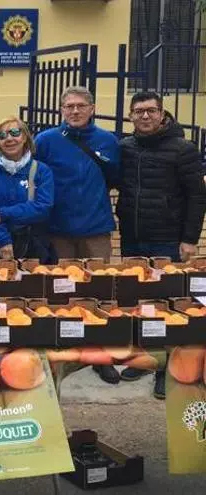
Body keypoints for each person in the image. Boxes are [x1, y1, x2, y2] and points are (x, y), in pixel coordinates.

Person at [115, 91, 206, 396]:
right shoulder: (125, 147)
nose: (145, 116)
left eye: (151, 110)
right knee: (140, 301)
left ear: (162, 114)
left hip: (168, 238)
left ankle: (166, 368)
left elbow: (197, 196)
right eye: (139, 111)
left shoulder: (183, 149)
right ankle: (146, 359)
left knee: (168, 304)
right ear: (131, 115)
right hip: (132, 236)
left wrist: (189, 239)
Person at [34, 86, 120, 260]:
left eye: (81, 106)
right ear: (62, 110)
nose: (75, 111)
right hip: (57, 230)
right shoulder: (44, 141)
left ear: (92, 109)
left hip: (96, 229)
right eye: (69, 106)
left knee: (98, 275)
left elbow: (114, 177)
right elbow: (35, 181)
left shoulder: (108, 141)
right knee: (61, 277)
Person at [0, 117, 54, 263]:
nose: (9, 139)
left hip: (32, 248)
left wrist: (2, 214)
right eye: (2, 135)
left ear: (25, 137)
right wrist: (3, 240)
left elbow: (42, 208)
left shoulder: (42, 170)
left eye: (15, 133)